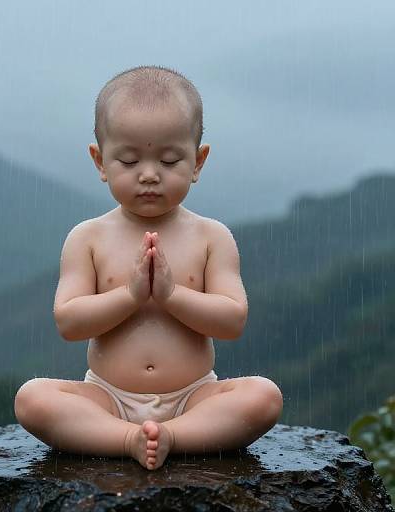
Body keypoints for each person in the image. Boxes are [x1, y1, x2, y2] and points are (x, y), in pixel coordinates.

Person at [14, 65, 283, 471]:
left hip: (195, 395)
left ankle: (177, 435)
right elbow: (69, 323)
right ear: (100, 161)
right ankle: (125, 439)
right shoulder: (87, 238)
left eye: (171, 160)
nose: (150, 175)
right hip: (107, 396)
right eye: (129, 160)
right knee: (31, 398)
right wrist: (130, 296)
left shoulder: (212, 237)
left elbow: (232, 321)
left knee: (264, 396)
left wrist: (172, 295)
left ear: (198, 161)